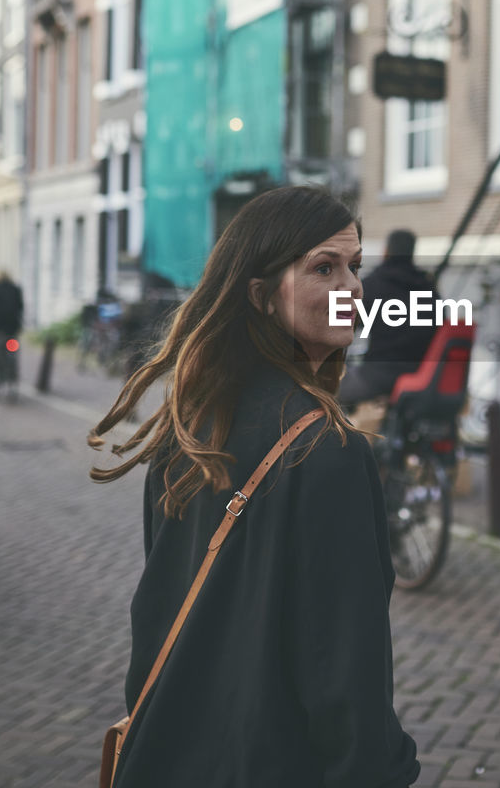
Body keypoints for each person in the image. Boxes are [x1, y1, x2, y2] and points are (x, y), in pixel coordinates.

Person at [88, 186, 420, 788]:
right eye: (324, 267)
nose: (352, 287)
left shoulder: (191, 426)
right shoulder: (329, 452)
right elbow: (347, 682)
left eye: (355, 265)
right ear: (262, 297)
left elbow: (158, 615)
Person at [337, 228, 440, 407]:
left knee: (325, 390)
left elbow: (343, 324)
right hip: (421, 378)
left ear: (386, 251)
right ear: (412, 253)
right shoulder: (429, 289)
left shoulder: (374, 284)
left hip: (377, 378)